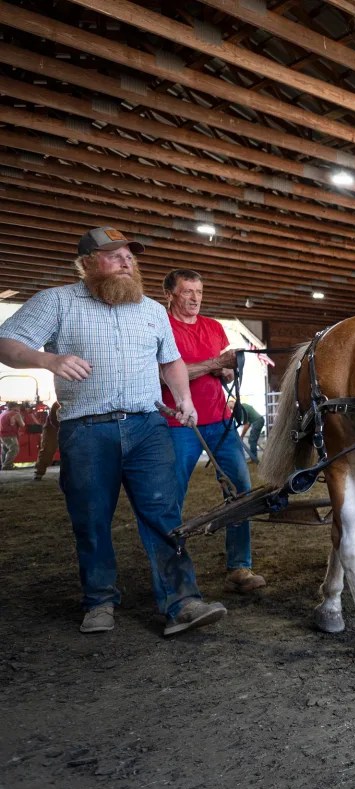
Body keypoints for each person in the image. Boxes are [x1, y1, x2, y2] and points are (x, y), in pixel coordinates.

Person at [0, 226, 226, 635]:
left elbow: (171, 361)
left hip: (148, 427)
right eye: (114, 254)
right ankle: (99, 600)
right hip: (86, 430)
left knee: (164, 514)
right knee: (91, 518)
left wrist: (184, 400)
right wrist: (47, 360)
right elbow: (6, 342)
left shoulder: (151, 310)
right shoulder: (58, 302)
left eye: (130, 255)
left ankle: (183, 600)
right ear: (87, 263)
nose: (126, 261)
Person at [161, 268, 265, 594]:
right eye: (188, 291)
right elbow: (167, 374)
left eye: (199, 292)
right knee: (171, 497)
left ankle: (240, 566)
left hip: (220, 421)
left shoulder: (214, 327)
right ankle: (173, 570)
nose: (195, 298)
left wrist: (228, 370)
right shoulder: (162, 327)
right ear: (171, 295)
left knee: (240, 491)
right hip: (177, 423)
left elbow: (224, 372)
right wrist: (211, 364)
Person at [229, 397, 264, 463]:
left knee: (252, 440)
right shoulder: (242, 406)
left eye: (232, 408)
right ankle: (253, 457)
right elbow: (247, 423)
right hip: (257, 421)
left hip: (257, 421)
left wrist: (241, 436)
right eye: (231, 408)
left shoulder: (242, 409)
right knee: (252, 440)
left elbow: (246, 424)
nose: (232, 410)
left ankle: (254, 459)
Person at [33, 401, 60, 480]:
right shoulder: (57, 404)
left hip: (67, 425)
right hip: (53, 427)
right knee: (48, 449)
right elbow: (53, 420)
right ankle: (39, 472)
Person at [0, 400, 24, 469]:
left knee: (5, 450)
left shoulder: (3, 413)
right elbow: (22, 424)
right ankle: (7, 465)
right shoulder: (15, 414)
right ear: (15, 407)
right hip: (10, 434)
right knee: (14, 449)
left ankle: (3, 465)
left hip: (1, 435)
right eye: (18, 407)